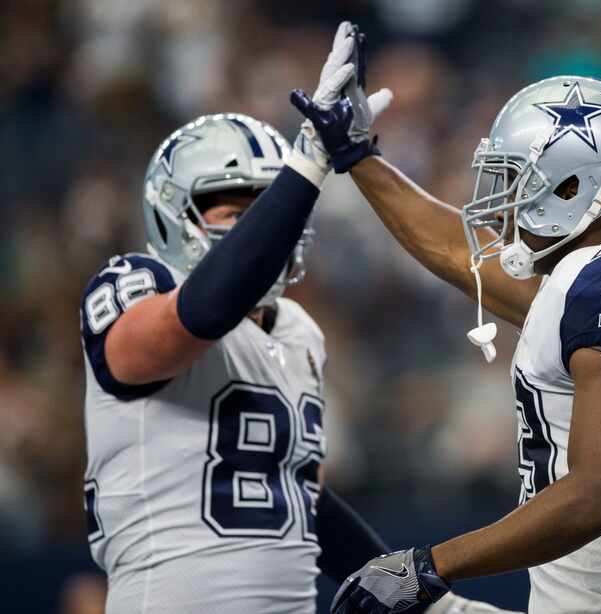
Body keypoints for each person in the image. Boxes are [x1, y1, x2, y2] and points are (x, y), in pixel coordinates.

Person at [292, 29, 601, 614]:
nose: (504, 202)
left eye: (518, 179)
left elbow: (599, 493)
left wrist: (430, 565)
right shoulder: (600, 271)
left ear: (574, 187)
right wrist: (358, 158)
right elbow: (457, 253)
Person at [81, 23, 517, 614]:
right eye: (236, 208)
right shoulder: (134, 283)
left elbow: (295, 491)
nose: (265, 225)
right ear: (172, 215)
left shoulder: (295, 329)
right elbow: (197, 317)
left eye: (270, 207)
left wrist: (417, 599)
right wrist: (307, 161)